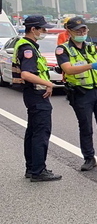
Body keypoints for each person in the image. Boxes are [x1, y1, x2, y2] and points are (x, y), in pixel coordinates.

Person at [56, 16, 97, 171]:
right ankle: (89, 158)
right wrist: (91, 65)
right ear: (69, 31)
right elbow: (68, 69)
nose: (81, 32)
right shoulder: (63, 49)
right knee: (86, 127)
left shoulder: (91, 47)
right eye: (78, 30)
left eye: (83, 29)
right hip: (81, 93)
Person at [13, 15, 62, 182]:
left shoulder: (25, 45)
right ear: (33, 29)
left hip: (31, 94)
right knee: (40, 133)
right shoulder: (27, 48)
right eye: (42, 29)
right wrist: (48, 83)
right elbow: (27, 74)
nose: (45, 31)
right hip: (36, 95)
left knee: (33, 132)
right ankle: (38, 171)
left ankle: (32, 168)